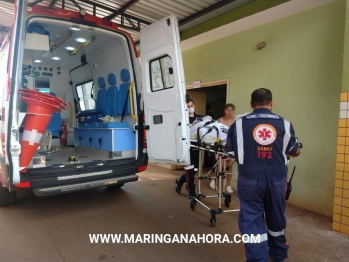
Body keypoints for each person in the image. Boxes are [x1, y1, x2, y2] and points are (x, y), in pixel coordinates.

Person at [225, 88, 300, 262]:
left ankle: (258, 259)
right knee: (276, 218)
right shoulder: (285, 124)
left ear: (251, 105)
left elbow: (229, 151)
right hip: (277, 180)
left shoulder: (239, 123)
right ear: (271, 103)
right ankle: (278, 254)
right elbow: (294, 151)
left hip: (248, 180)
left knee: (251, 222)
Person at [175, 98, 203, 197]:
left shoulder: (200, 118)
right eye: (188, 106)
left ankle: (180, 180)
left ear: (194, 106)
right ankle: (191, 191)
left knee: (194, 170)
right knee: (190, 171)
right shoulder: (183, 119)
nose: (190, 108)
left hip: (196, 148)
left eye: (191, 106)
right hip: (187, 149)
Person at [210, 103, 235, 193]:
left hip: (231, 146)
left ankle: (228, 185)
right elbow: (214, 132)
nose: (229, 112)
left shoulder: (235, 121)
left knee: (229, 166)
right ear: (224, 111)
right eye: (227, 110)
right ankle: (214, 179)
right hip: (221, 145)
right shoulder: (219, 120)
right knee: (221, 165)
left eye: (231, 110)